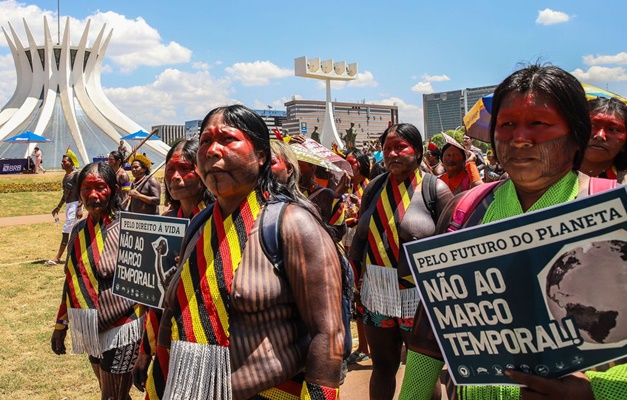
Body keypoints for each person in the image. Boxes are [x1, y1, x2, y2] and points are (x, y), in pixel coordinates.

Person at [400, 64, 626, 400]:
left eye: (539, 124)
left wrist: (598, 391)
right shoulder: (465, 210)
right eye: (507, 125)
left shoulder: (613, 211)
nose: (519, 140)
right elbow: (431, 333)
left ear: (577, 134)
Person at [158, 105, 344, 399]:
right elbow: (172, 313)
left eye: (227, 139)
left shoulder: (292, 224)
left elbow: (328, 333)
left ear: (261, 156)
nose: (212, 151)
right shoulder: (199, 224)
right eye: (205, 141)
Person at [349, 123, 453, 399]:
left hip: (418, 296)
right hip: (377, 294)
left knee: (422, 371)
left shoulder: (436, 190)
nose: (392, 154)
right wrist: (352, 280)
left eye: (400, 147)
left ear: (417, 152)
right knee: (383, 366)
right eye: (387, 149)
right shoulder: (374, 188)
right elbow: (359, 238)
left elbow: (452, 246)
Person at [51, 162, 144, 400]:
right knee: (113, 394)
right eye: (86, 188)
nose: (93, 195)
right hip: (91, 327)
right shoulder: (79, 230)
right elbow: (71, 280)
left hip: (123, 328)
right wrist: (61, 325)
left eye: (100, 187)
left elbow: (148, 287)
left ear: (112, 189)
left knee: (111, 397)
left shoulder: (129, 229)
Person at [132, 138, 214, 399]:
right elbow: (155, 298)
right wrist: (145, 350)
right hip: (169, 339)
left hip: (210, 342)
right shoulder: (165, 224)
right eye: (170, 170)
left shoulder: (220, 221)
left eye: (186, 168)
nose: (176, 177)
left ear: (203, 171)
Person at [342, 149, 372, 366]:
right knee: (357, 299)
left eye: (351, 163)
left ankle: (378, 347)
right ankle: (363, 346)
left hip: (367, 249)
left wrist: (359, 209)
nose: (347, 167)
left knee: (368, 298)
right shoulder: (345, 187)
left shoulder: (371, 187)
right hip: (349, 246)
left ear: (361, 165)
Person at [46, 150, 83, 266]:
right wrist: (58, 207)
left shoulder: (76, 175)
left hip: (75, 205)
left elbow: (81, 191)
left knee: (66, 231)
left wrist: (80, 207)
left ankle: (58, 257)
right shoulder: (66, 177)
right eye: (62, 162)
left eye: (64, 161)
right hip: (69, 205)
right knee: (75, 231)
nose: (62, 163)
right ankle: (77, 256)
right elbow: (65, 194)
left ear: (71, 163)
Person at [579, 97, 627, 184]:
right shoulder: (549, 178)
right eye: (592, 126)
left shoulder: (624, 186)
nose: (600, 136)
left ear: (624, 144)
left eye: (613, 129)